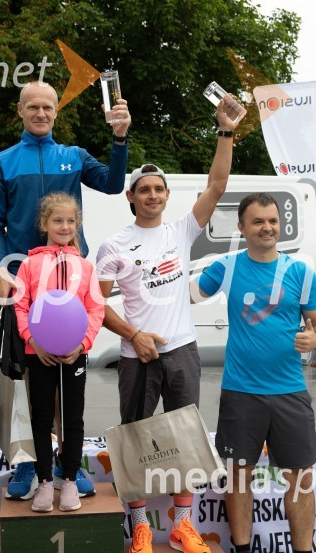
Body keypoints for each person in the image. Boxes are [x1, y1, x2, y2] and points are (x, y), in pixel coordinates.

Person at [96, 97, 238, 553]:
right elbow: (94, 305)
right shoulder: (114, 244)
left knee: (186, 439)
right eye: (145, 190)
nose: (153, 195)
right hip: (137, 356)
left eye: (159, 189)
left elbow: (217, 185)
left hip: (182, 350)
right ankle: (137, 526)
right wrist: (133, 335)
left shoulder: (180, 231)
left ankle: (181, 525)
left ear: (166, 195)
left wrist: (225, 131)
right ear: (130, 196)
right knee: (135, 439)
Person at [0, 80, 131, 501]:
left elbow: (113, 183)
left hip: (69, 288)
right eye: (32, 106)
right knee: (28, 386)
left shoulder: (73, 156)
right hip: (24, 285)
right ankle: (30, 462)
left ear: (56, 112)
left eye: (48, 107)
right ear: (20, 111)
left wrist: (119, 138)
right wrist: (0, 267)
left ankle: (70, 466)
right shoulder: (3, 162)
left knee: (69, 387)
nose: (41, 113)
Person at [194, 192, 316, 553]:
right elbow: (184, 295)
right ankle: (242, 549)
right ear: (242, 227)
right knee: (239, 477)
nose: (267, 227)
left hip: (290, 391)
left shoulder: (300, 271)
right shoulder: (227, 267)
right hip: (241, 392)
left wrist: (314, 337)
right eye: (258, 221)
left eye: (272, 221)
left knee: (300, 480)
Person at [13, 193, 104, 513]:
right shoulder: (29, 264)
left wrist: (83, 344)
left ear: (76, 225)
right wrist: (33, 341)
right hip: (37, 353)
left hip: (74, 354)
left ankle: (68, 481)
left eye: (70, 221)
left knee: (72, 417)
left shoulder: (85, 266)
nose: (64, 226)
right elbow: (20, 306)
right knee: (40, 418)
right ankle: (43, 483)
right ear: (44, 224)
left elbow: (95, 309)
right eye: (57, 220)